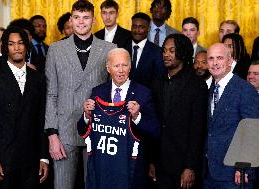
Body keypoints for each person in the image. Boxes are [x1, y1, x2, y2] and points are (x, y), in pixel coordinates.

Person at [44, 1, 116, 189]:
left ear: (93, 20)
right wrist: (52, 134)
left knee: (95, 185)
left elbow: (116, 91)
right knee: (62, 185)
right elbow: (51, 94)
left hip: (98, 131)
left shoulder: (109, 48)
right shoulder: (55, 49)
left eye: (86, 18)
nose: (81, 22)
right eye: (77, 17)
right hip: (64, 132)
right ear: (71, 20)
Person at [77, 48, 160, 189]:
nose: (121, 70)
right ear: (108, 68)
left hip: (130, 168)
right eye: (116, 66)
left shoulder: (143, 93)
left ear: (130, 67)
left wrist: (137, 117)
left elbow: (155, 131)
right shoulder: (98, 92)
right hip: (103, 167)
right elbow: (81, 129)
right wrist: (86, 115)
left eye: (124, 65)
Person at [0, 26, 49, 189]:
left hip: (31, 160)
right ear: (5, 47)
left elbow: (42, 120)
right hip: (2, 160)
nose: (16, 48)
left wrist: (44, 157)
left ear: (26, 46)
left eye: (20, 43)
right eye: (11, 44)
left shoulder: (38, 78)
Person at [150, 33, 208, 189]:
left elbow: (198, 130)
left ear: (182, 52)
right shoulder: (157, 81)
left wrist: (190, 167)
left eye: (171, 50)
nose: (166, 54)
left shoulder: (197, 85)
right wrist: (152, 161)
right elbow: (155, 123)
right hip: (159, 164)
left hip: (183, 167)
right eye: (164, 50)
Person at [204, 43, 259, 189]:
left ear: (230, 61)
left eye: (220, 58)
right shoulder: (210, 89)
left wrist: (244, 169)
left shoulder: (244, 89)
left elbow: (252, 131)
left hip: (235, 174)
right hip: (209, 172)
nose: (215, 63)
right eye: (211, 58)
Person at [125, 12, 164, 89]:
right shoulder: (122, 49)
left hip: (147, 98)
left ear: (149, 28)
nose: (137, 30)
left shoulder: (157, 52)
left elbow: (158, 80)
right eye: (134, 26)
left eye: (141, 27)